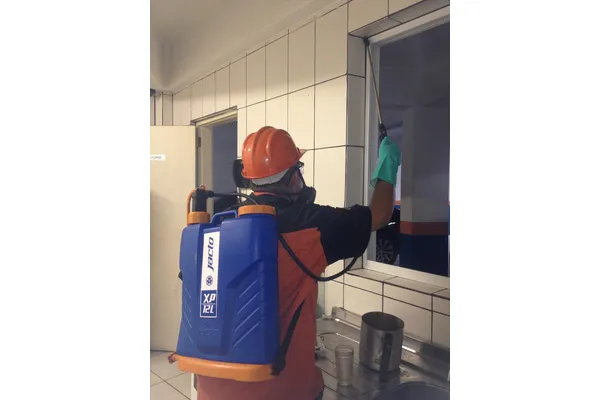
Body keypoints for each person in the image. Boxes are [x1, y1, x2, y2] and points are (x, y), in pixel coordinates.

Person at [195, 126, 401, 400]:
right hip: (281, 390)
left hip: (212, 386)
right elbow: (380, 214)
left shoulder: (218, 223)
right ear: (293, 177)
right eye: (298, 169)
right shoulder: (311, 225)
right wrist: (387, 166)